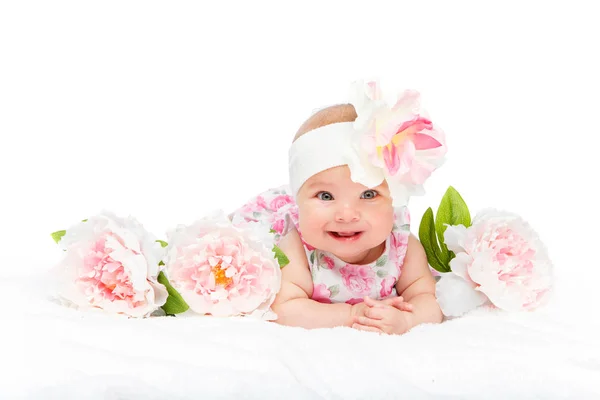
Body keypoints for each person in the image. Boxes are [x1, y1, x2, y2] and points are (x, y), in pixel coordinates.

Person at [231, 81, 446, 334]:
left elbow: (429, 299)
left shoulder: (402, 246)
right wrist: (351, 314)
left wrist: (408, 320)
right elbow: (284, 309)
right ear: (298, 200)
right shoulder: (297, 248)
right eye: (325, 196)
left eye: (368, 194)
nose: (346, 215)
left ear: (394, 198)